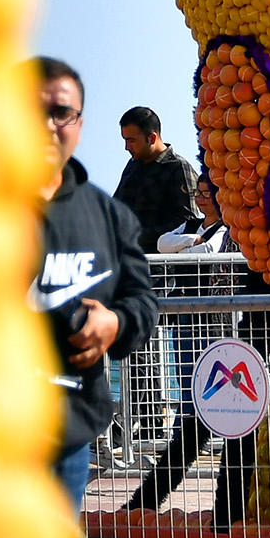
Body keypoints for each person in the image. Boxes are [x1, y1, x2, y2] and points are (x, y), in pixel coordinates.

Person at [33, 56, 158, 513]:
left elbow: (142, 300)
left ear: (79, 123)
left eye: (61, 112)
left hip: (71, 429)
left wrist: (115, 323)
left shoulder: (107, 216)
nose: (47, 125)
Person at [113, 106, 199, 244]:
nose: (127, 147)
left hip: (159, 262)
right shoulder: (132, 166)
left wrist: (139, 235)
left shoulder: (178, 168)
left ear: (152, 138)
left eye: (131, 141)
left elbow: (188, 223)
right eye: (125, 140)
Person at [158, 174, 228, 253]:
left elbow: (208, 250)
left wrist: (177, 252)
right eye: (198, 192)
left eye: (207, 193)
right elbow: (162, 243)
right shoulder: (191, 224)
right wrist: (193, 239)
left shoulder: (225, 228)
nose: (199, 198)